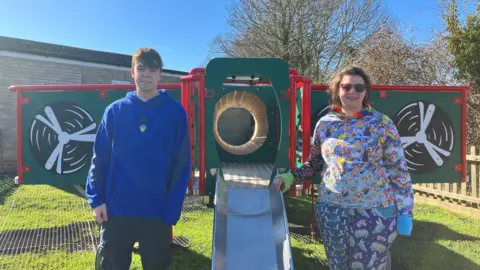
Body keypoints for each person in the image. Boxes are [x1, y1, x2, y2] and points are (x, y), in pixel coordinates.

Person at [273, 66, 414, 270]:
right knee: (338, 266)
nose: (352, 92)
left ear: (366, 92)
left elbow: (398, 170)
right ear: (337, 90)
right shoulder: (326, 124)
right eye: (346, 86)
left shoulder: (382, 124)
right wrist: (289, 178)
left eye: (358, 87)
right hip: (333, 212)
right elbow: (314, 164)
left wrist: (405, 212)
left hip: (374, 214)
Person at [85, 47, 191, 270]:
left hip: (157, 213)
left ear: (160, 74)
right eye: (141, 68)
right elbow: (99, 158)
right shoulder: (115, 111)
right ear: (132, 72)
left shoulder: (175, 113)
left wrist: (172, 209)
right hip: (116, 211)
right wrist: (97, 200)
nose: (146, 74)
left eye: (152, 69)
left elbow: (181, 165)